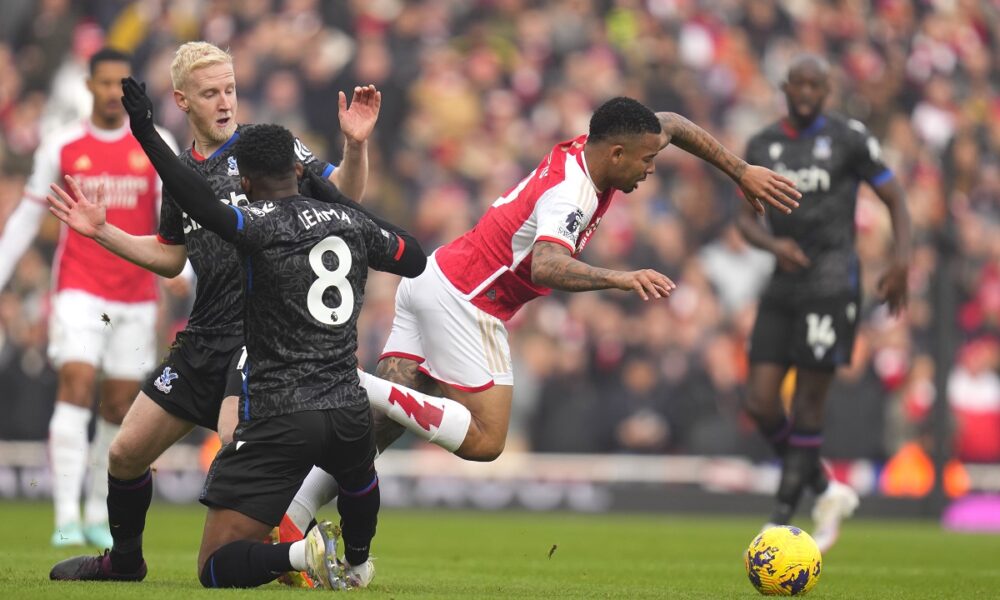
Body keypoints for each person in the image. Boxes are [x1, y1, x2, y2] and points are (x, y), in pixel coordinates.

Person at [279, 96, 802, 539]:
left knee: (376, 431)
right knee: (486, 440)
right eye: (646, 160)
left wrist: (741, 171)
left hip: (435, 275)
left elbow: (672, 123)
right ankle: (351, 379)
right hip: (467, 298)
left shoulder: (601, 148)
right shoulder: (571, 194)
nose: (651, 168)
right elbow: (547, 264)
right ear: (617, 153)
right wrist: (620, 278)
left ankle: (291, 517)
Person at [53, 82, 426, 588]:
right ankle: (358, 562)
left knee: (214, 565)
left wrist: (145, 131)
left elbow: (203, 205)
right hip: (344, 402)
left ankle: (300, 553)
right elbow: (413, 256)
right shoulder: (347, 221)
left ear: (245, 182)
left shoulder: (256, 223)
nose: (225, 100)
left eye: (229, 88)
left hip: (281, 402)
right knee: (359, 474)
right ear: (299, 171)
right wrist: (340, 201)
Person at [0, 48, 176, 549]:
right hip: (79, 287)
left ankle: (98, 510)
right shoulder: (62, 144)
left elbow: (174, 221)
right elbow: (29, 215)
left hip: (136, 295)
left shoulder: (155, 144)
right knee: (76, 383)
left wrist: (184, 271)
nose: (112, 93)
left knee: (118, 405)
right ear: (88, 85)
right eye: (104, 83)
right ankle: (64, 515)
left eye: (121, 84)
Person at [736, 55, 911, 552]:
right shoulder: (762, 145)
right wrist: (772, 244)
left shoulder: (848, 138)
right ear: (785, 87)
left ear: (828, 90)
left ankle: (780, 519)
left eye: (817, 85)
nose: (807, 92)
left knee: (808, 402)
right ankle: (826, 488)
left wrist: (901, 261)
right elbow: (743, 220)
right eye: (800, 84)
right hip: (783, 280)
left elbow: (895, 198)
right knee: (759, 402)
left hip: (832, 282)